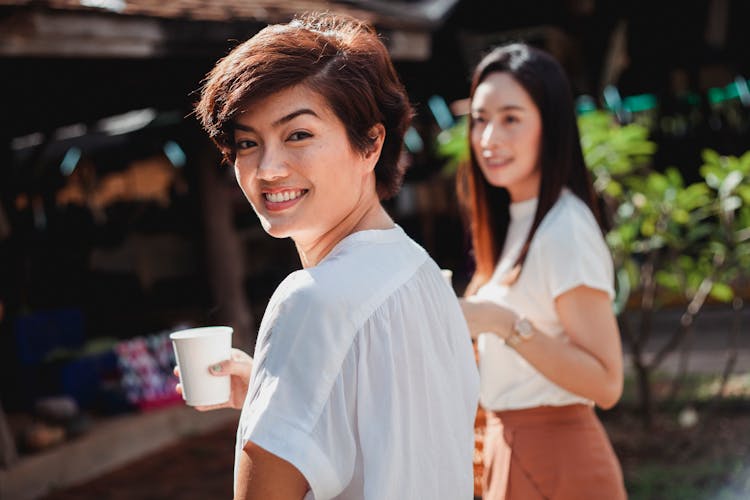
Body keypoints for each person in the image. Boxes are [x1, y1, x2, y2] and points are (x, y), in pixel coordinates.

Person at [183, 13, 480, 500]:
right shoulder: (422, 272)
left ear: (370, 144)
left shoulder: (310, 300)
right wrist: (271, 388)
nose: (267, 169)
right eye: (246, 143)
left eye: (298, 135)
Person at [457, 43, 627, 499]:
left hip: (558, 462)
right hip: (511, 451)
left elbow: (607, 383)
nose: (489, 137)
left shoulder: (564, 227)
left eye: (511, 118)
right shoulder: (518, 219)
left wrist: (499, 322)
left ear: (549, 127)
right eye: (479, 119)